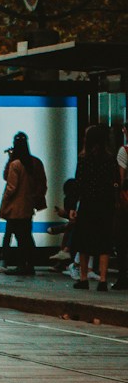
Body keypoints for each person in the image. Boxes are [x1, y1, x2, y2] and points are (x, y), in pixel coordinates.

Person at [70, 124, 119, 291]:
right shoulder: (110, 159)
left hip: (88, 204)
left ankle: (83, 278)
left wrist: (72, 204)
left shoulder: (84, 159)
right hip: (105, 204)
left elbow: (79, 183)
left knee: (84, 242)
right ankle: (103, 279)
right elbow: (115, 183)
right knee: (104, 242)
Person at [0, 131, 48, 276]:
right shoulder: (35, 162)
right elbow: (42, 183)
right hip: (27, 205)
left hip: (15, 206)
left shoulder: (15, 164)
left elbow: (10, 185)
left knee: (14, 235)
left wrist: (5, 200)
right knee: (26, 235)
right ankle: (29, 263)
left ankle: (15, 262)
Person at [115, 129, 128, 290]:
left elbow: (121, 177)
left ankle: (122, 276)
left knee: (122, 239)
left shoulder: (124, 151)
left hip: (126, 200)